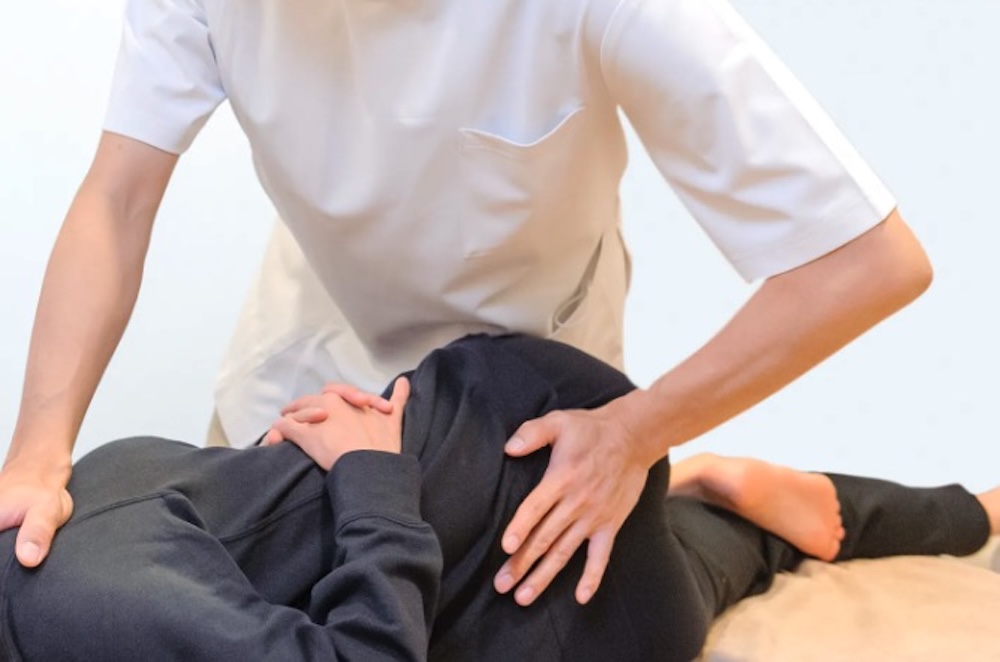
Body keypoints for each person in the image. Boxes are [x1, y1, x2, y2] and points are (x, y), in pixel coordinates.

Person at [1, 0, 934, 610]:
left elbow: (864, 259)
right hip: (318, 342)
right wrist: (37, 455)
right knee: (248, 594)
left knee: (523, 623)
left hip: (515, 390)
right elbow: (117, 200)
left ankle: (705, 495)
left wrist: (634, 434)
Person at [1, 334, 995, 661]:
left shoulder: (76, 604)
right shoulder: (44, 510)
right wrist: (341, 468)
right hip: (491, 419)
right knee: (697, 544)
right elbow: (245, 507)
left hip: (526, 526)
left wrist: (368, 480)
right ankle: (700, 479)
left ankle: (978, 513)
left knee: (708, 572)